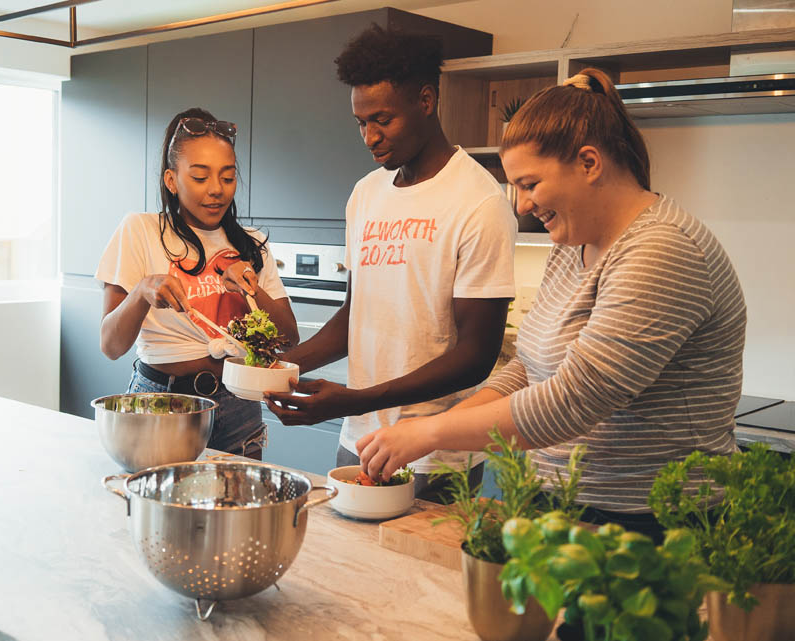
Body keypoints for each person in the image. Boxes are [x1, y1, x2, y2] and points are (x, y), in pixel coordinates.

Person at [356, 68, 747, 540]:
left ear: (589, 163)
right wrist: (437, 424)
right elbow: (530, 366)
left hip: (652, 521)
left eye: (530, 184)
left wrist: (428, 434)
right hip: (564, 505)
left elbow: (574, 400)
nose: (520, 206)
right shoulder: (574, 243)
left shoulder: (660, 251)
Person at [264, 25, 517, 496]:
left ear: (425, 101)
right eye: (360, 123)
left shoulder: (479, 201)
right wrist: (282, 366)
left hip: (436, 453)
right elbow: (355, 314)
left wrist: (354, 399)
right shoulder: (366, 194)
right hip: (357, 439)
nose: (369, 137)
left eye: (382, 120)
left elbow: (476, 356)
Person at [96, 107, 298, 460]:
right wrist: (143, 291)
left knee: (236, 513)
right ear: (172, 180)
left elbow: (289, 338)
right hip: (164, 402)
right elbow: (111, 345)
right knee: (163, 510)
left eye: (228, 177)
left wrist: (251, 288)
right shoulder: (140, 230)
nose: (217, 190)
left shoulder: (250, 243)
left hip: (239, 404)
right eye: (201, 177)